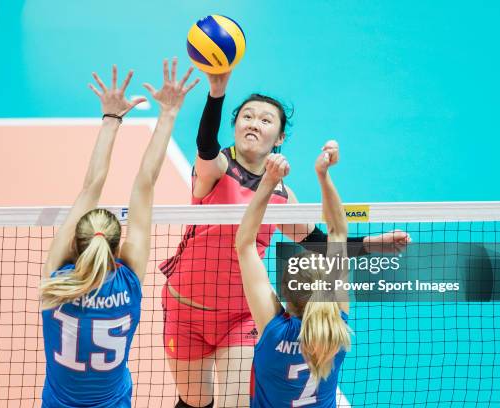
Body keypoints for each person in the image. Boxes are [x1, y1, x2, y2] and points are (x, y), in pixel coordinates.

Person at [159, 72, 410, 407]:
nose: (253, 123)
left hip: (242, 316)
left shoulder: (281, 194)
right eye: (246, 116)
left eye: (265, 120)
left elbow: (321, 243)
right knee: (194, 403)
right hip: (186, 310)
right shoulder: (216, 169)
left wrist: (370, 244)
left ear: (278, 137)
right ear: (235, 127)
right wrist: (216, 92)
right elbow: (205, 145)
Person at [39, 60, 198, 407]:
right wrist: (168, 113)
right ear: (115, 248)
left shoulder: (55, 283)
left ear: (73, 244)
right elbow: (145, 184)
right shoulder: (127, 283)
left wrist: (111, 119)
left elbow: (90, 187)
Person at [236, 144, 350, 408]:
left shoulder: (275, 331)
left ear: (283, 294)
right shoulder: (338, 330)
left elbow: (244, 244)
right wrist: (323, 174)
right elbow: (338, 232)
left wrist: (269, 181)